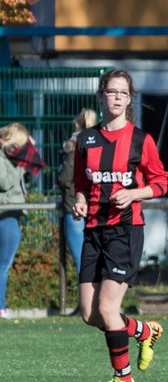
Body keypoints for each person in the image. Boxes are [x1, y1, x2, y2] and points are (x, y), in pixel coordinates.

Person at [71, 70, 168, 382]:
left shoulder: (141, 140)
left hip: (125, 231)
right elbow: (81, 184)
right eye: (110, 92)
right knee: (89, 314)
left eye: (122, 93)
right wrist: (81, 201)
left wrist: (134, 194)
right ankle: (142, 331)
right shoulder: (85, 140)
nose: (116, 98)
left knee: (108, 310)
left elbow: (161, 183)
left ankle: (124, 379)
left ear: (129, 99)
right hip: (93, 231)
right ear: (102, 96)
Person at [1, 122, 44, 320]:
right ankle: (1, 306)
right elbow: (4, 182)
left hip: (11, 212)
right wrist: (21, 163)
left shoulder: (10, 158)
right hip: (5, 214)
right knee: (4, 264)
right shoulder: (4, 158)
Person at [58, 108, 98, 276]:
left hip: (74, 205)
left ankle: (86, 302)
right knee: (93, 258)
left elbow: (64, 179)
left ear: (77, 123)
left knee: (81, 260)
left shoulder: (73, 147)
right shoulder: (98, 145)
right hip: (95, 206)